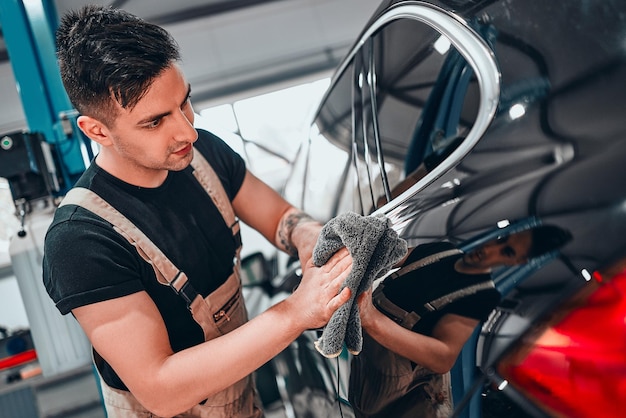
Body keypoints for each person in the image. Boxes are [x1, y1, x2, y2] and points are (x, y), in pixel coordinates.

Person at [42, 5, 352, 417]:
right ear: (97, 131)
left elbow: (280, 218)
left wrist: (306, 235)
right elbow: (161, 389)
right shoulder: (81, 240)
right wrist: (295, 313)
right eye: (155, 122)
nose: (187, 130)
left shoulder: (202, 153)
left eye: (184, 103)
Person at [348, 225, 572, 418]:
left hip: (386, 372)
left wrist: (372, 320)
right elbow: (383, 258)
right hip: (361, 346)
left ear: (516, 262)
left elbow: (443, 356)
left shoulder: (481, 296)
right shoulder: (442, 251)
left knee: (358, 409)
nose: (489, 249)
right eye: (501, 239)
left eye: (506, 251)